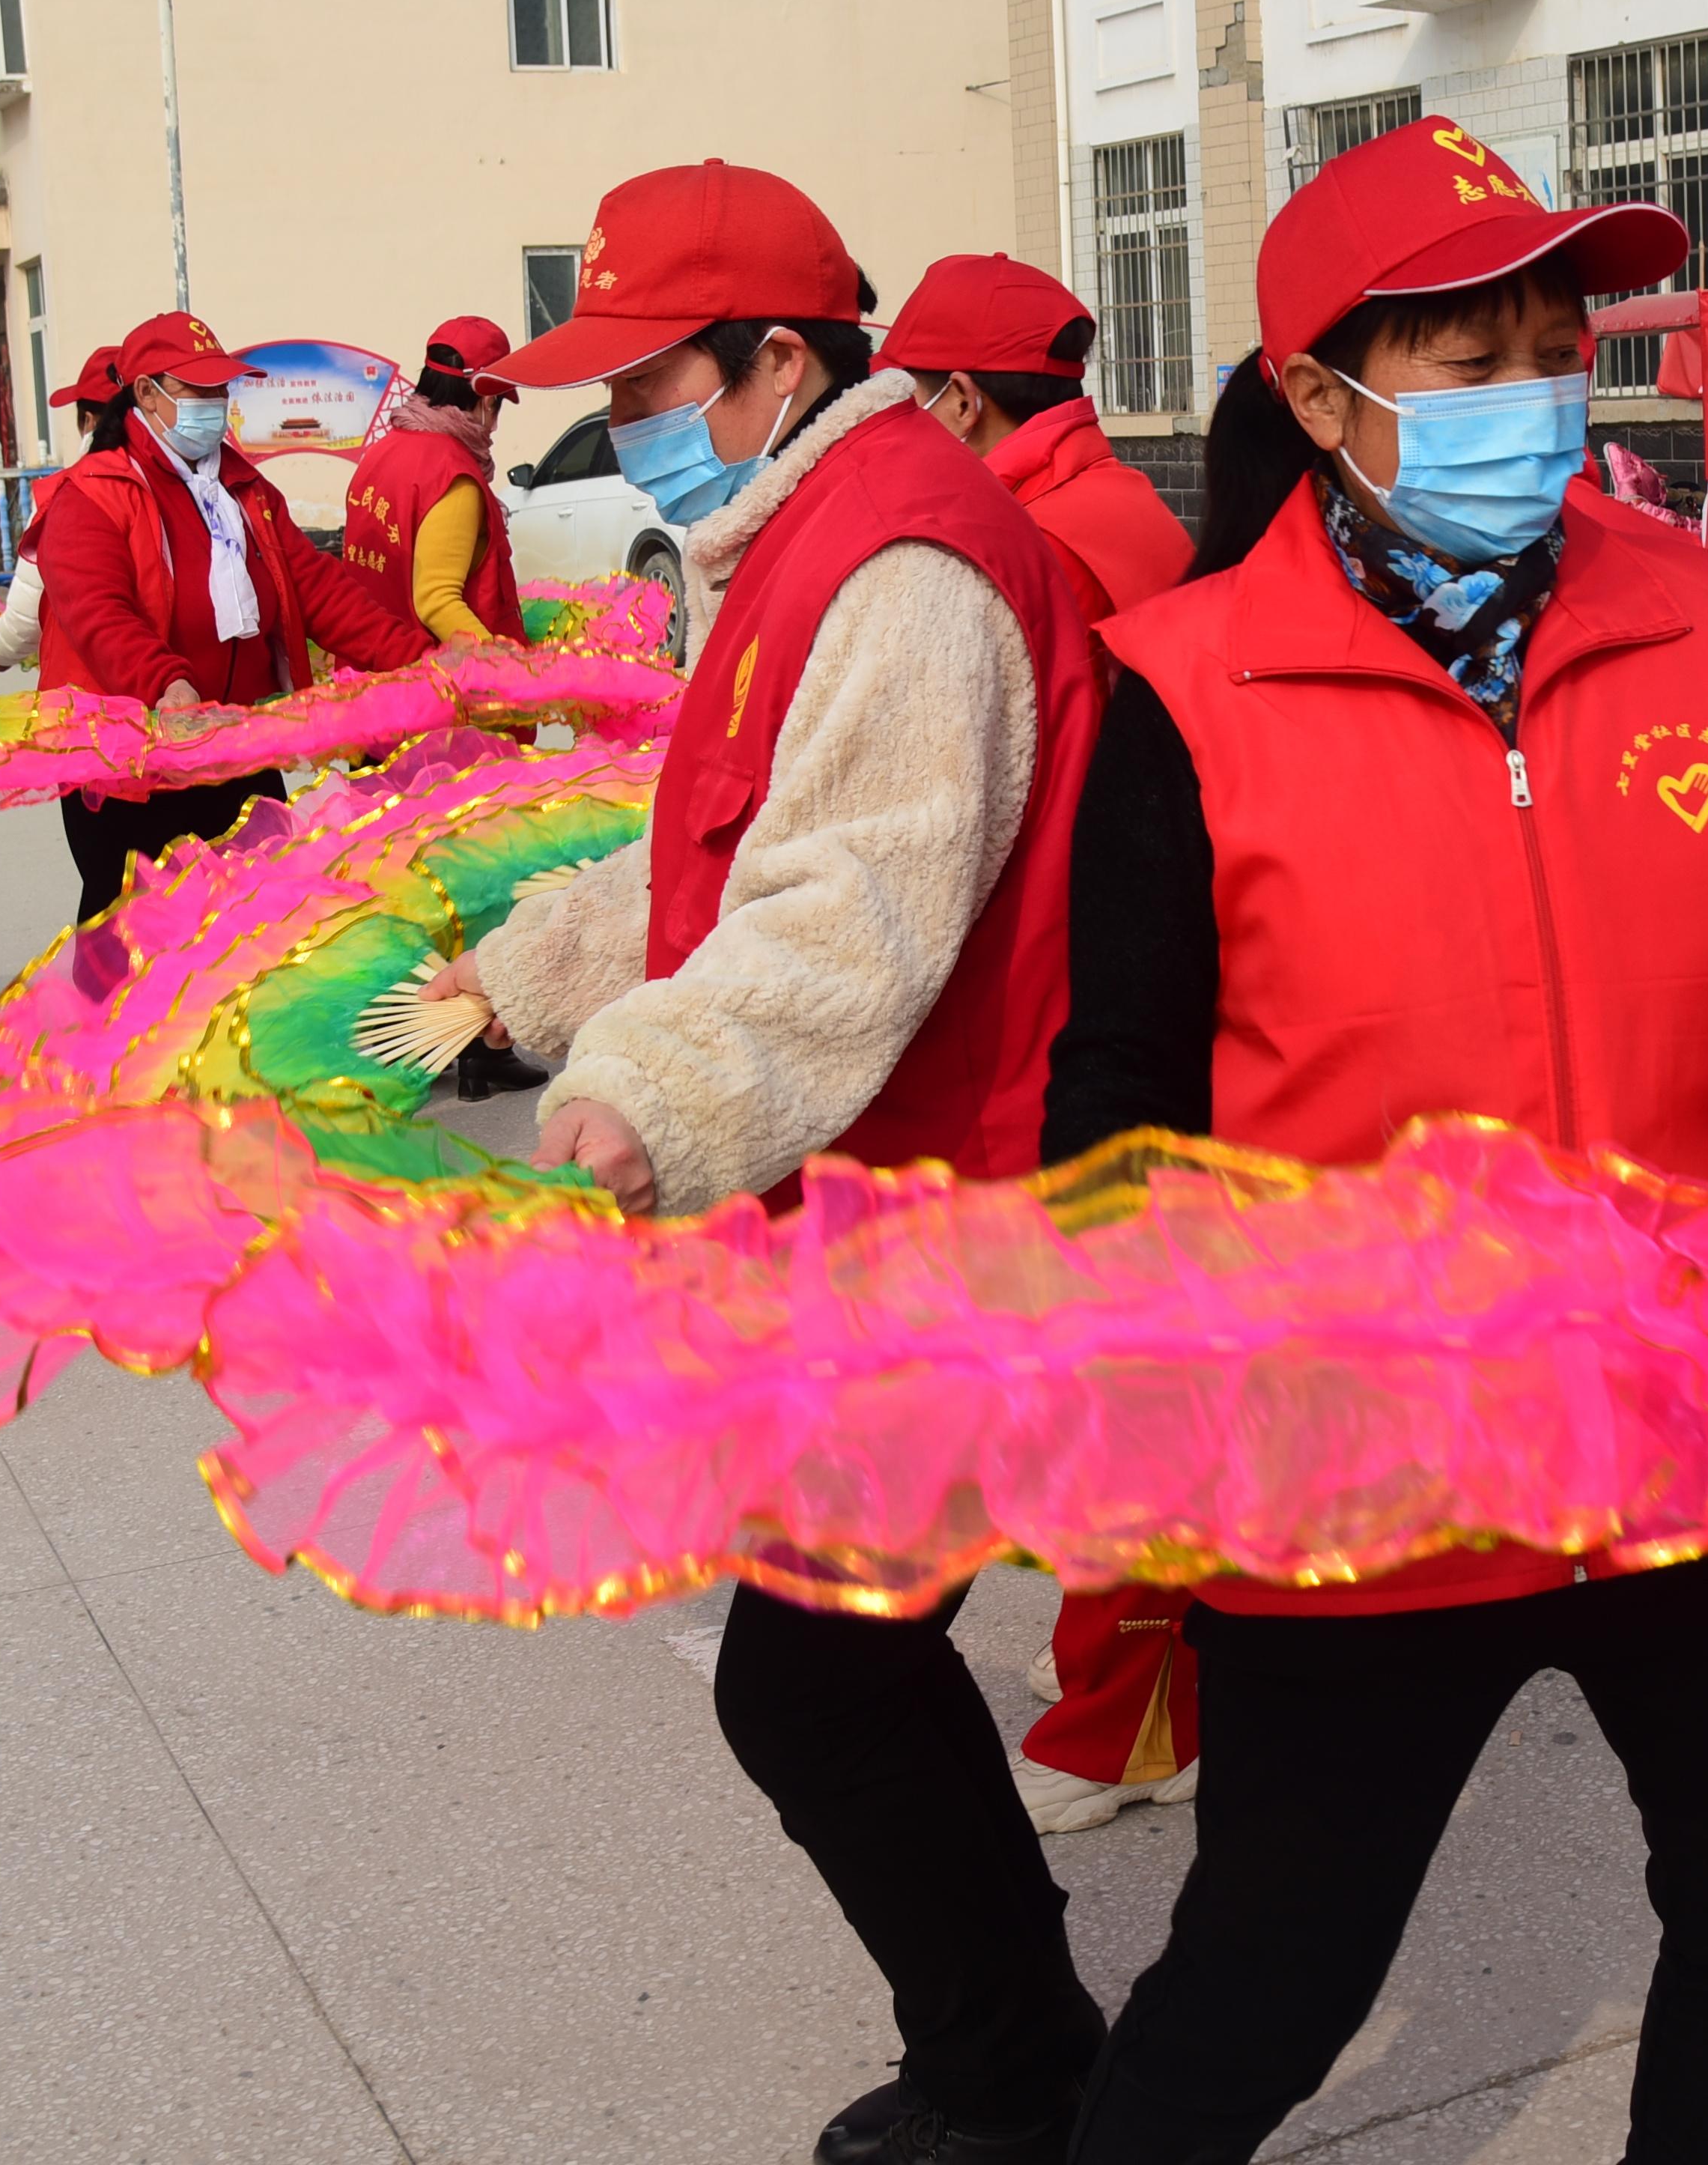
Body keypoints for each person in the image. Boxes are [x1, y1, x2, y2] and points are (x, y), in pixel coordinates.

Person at [1039, 116, 1708, 2165]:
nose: (1534, 401)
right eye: (1470, 363)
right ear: (1320, 397)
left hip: (1698, 1419)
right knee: (1278, 1978)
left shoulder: (1689, 619)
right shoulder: (1183, 686)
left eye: (1560, 345)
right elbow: (1118, 1097)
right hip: (1374, 1457)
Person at [428, 160, 1103, 2165]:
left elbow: (845, 912)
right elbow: (714, 837)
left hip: (954, 1199)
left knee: (811, 1686)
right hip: (869, 1197)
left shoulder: (904, 565)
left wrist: (644, 1088)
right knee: (843, 1670)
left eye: (648, 382)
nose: (614, 423)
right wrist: (532, 976)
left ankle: (1021, 2077)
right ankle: (1023, 2027)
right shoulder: (791, 538)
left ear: (778, 361)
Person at [869, 250, 1203, 1833]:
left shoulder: (1023, 545)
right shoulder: (1115, 505)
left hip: (1068, 1002)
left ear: (947, 395)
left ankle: (1123, 1721)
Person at [31, 310, 433, 924]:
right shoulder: (92, 494)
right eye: (200, 391)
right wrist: (166, 683)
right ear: (147, 394)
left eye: (222, 390)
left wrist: (424, 664)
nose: (216, 405)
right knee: (135, 935)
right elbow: (96, 612)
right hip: (131, 764)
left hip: (236, 750)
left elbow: (319, 590)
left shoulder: (242, 491)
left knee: (255, 924)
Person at [881, 253, 1194, 628]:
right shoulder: (1124, 491)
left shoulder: (1012, 546)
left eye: (904, 396)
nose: (896, 416)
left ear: (963, 401)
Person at [338, 315, 529, 649]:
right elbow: (437, 600)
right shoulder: (454, 475)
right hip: (433, 684)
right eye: (498, 407)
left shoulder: (382, 452)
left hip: (372, 670)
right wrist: (502, 668)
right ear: (487, 399)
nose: (495, 426)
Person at [0, 346, 121, 675]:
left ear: (88, 420)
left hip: (91, 690)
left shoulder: (68, 493)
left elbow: (31, 604)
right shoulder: (189, 483)